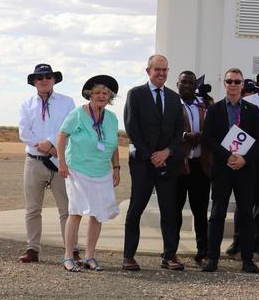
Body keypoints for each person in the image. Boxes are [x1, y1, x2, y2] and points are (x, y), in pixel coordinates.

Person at [122, 54, 185, 271]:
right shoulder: (136, 95)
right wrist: (151, 155)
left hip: (167, 163)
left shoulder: (174, 98)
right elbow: (132, 127)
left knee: (169, 211)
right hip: (142, 162)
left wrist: (166, 153)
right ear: (148, 71)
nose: (161, 74)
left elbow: (180, 131)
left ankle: (169, 256)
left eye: (165, 70)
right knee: (136, 208)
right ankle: (128, 255)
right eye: (157, 69)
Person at [201, 67, 259, 273]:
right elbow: (208, 138)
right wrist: (228, 157)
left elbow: (258, 140)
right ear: (225, 84)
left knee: (246, 214)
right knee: (217, 214)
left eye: (237, 82)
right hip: (222, 168)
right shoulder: (215, 109)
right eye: (229, 81)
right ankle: (212, 258)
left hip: (245, 170)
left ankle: (247, 259)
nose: (233, 85)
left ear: (243, 84)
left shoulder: (252, 111)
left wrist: (244, 159)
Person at [56, 75, 121, 272]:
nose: (102, 96)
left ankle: (90, 256)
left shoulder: (111, 118)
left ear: (110, 96)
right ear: (89, 95)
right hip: (78, 169)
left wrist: (116, 168)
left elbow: (114, 145)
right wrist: (62, 163)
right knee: (76, 212)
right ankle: (68, 256)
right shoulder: (78, 114)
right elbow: (61, 136)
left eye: (105, 93)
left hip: (101, 171)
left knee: (97, 214)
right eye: (98, 92)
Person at [18, 63, 77, 264]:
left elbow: (69, 127)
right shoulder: (26, 104)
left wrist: (51, 144)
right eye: (40, 77)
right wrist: (41, 146)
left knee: (66, 209)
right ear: (34, 81)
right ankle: (32, 249)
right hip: (34, 161)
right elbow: (24, 132)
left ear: (54, 80)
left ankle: (71, 250)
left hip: (59, 160)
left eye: (48, 76)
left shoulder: (67, 102)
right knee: (33, 209)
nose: (44, 80)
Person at [226, 66, 259, 258]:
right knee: (244, 200)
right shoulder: (247, 101)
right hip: (248, 152)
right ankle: (238, 241)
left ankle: (258, 241)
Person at [176, 71, 212, 266]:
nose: (187, 85)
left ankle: (203, 252)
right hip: (179, 165)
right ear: (177, 84)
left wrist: (202, 136)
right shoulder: (172, 103)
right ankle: (171, 252)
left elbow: (214, 128)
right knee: (175, 211)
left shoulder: (205, 104)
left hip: (200, 165)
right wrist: (184, 135)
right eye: (184, 82)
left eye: (191, 82)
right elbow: (166, 131)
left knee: (200, 212)